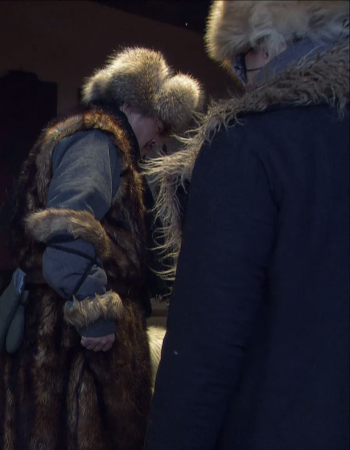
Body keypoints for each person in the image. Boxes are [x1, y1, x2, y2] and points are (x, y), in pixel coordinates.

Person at [143, 1, 349, 449]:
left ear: (270, 42)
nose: (243, 75)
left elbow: (206, 345)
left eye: (245, 56)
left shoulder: (247, 144)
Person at [0, 47, 203, 450]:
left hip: (67, 343)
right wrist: (94, 313)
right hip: (75, 349)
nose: (157, 142)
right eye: (158, 127)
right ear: (130, 104)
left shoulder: (97, 139)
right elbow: (67, 228)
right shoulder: (97, 140)